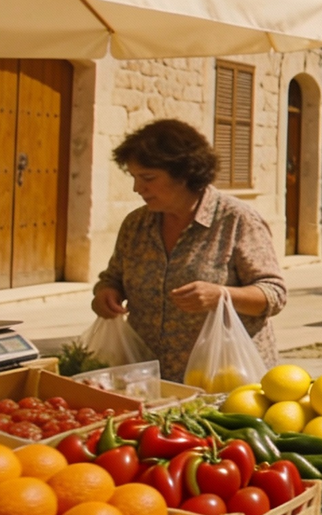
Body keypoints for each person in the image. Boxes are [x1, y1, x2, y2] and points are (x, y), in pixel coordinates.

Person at [91, 119, 287, 383]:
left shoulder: (236, 220)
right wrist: (106, 293)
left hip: (223, 379)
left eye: (148, 178)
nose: (138, 188)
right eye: (135, 178)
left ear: (184, 173)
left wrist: (221, 295)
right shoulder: (136, 224)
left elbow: (274, 294)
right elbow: (113, 277)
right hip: (148, 381)